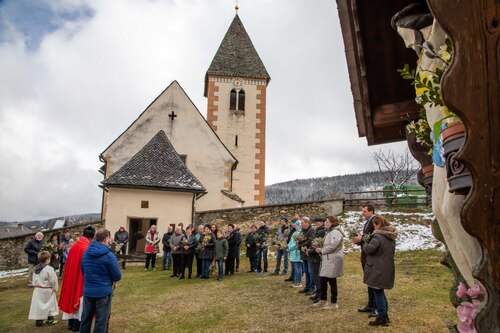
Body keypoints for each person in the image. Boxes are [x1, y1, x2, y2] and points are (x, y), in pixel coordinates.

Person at [80, 228, 122, 333]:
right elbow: (117, 276)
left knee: (86, 319)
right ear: (106, 239)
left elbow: (83, 271)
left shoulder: (86, 254)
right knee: (101, 321)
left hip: (89, 290)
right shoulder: (109, 255)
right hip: (103, 292)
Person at [362, 216, 397, 326]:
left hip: (377, 268)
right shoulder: (390, 236)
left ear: (378, 225)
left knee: (377, 292)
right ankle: (384, 316)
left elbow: (369, 249)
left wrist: (365, 242)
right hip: (386, 266)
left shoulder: (377, 236)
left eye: (374, 225)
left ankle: (382, 317)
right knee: (380, 291)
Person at [58, 225, 95, 332]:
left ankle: (71, 323)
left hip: (72, 276)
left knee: (72, 296)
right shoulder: (87, 248)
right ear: (91, 238)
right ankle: (77, 324)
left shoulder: (74, 246)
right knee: (80, 299)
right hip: (81, 277)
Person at [351, 204, 377, 316]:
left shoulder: (375, 221)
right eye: (362, 211)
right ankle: (370, 304)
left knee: (372, 281)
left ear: (371, 211)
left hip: (370, 256)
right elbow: (366, 237)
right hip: (365, 254)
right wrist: (359, 240)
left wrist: (361, 239)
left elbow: (372, 237)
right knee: (368, 280)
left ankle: (375, 306)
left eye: (365, 211)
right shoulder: (368, 222)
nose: (363, 213)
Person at [314, 216, 345, 309]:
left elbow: (333, 246)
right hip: (327, 259)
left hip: (333, 259)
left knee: (332, 280)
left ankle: (333, 302)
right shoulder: (329, 231)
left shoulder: (336, 232)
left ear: (332, 222)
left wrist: (322, 250)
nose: (326, 223)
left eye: (327, 222)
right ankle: (323, 300)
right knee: (323, 280)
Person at [28, 250, 59, 327]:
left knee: (39, 305)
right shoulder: (49, 269)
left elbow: (33, 279)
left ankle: (39, 320)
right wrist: (55, 288)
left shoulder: (36, 268)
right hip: (47, 289)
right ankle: (50, 319)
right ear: (48, 259)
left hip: (38, 290)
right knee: (50, 304)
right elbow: (53, 280)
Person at [307, 217, 327, 302]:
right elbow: (313, 243)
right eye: (316, 221)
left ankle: (320, 295)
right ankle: (318, 293)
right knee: (315, 276)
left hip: (318, 256)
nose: (317, 223)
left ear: (323, 222)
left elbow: (318, 245)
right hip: (314, 256)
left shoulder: (322, 231)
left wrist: (310, 251)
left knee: (319, 277)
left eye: (319, 221)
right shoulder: (318, 230)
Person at [297, 217, 316, 294]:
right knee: (306, 271)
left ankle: (312, 288)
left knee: (311, 272)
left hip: (309, 253)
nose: (301, 224)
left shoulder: (312, 230)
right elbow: (300, 238)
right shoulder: (302, 230)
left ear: (307, 222)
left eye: (302, 223)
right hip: (303, 253)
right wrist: (298, 242)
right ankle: (307, 287)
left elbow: (310, 240)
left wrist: (300, 245)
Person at [287, 220, 303, 288]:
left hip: (296, 252)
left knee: (298, 268)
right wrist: (287, 246)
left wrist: (290, 248)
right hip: (292, 252)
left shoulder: (300, 233)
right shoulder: (295, 232)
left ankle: (298, 282)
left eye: (296, 225)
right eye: (295, 225)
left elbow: (297, 244)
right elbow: (291, 242)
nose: (295, 226)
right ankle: (296, 280)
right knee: (295, 267)